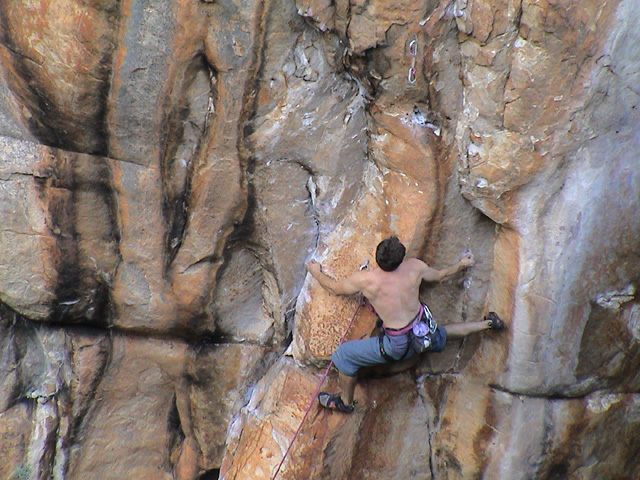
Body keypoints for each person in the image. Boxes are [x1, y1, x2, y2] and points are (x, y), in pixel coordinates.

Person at [306, 236, 505, 413]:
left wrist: (316, 272)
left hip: (396, 345)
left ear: (377, 258)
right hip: (422, 330)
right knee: (442, 332)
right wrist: (461, 264)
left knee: (343, 355)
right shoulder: (415, 267)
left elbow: (334, 288)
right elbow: (440, 276)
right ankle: (488, 323)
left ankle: (345, 402)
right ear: (400, 259)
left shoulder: (366, 281)